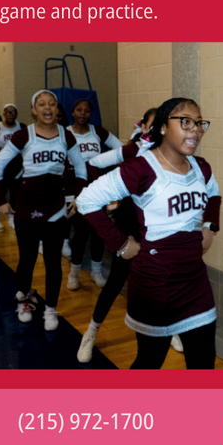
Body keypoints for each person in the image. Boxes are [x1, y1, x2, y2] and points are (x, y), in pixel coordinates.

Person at [77, 96, 220, 370]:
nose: (195, 130)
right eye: (186, 122)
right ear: (163, 126)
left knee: (204, 364)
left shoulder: (201, 167)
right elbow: (86, 200)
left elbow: (214, 194)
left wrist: (209, 226)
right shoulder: (141, 167)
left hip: (195, 282)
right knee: (149, 362)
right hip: (156, 284)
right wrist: (120, 244)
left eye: (199, 123)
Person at [0, 90, 80, 329]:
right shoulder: (23, 135)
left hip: (56, 209)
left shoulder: (66, 135)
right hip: (27, 207)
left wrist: (78, 198)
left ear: (57, 109)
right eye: (41, 104)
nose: (47, 107)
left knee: (53, 262)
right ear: (34, 110)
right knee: (27, 259)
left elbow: (81, 168)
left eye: (51, 103)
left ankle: (50, 308)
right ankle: (24, 299)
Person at [75, 107, 159, 364]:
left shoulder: (168, 153)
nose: (157, 130)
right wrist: (112, 197)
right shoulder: (132, 150)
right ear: (143, 127)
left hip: (154, 227)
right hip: (130, 224)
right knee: (115, 282)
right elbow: (93, 163)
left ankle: (170, 329)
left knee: (161, 283)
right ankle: (91, 333)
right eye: (152, 124)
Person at [63, 98, 123, 290]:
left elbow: (121, 149)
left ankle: (96, 272)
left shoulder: (98, 132)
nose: (83, 113)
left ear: (91, 114)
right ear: (73, 112)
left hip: (97, 190)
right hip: (75, 190)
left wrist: (112, 168)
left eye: (87, 111)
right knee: (81, 233)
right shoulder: (65, 133)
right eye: (79, 110)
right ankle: (74, 273)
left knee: (99, 232)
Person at [0, 105, 22, 228]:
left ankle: (12, 218)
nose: (10, 114)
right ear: (4, 114)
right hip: (2, 164)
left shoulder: (22, 127)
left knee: (15, 192)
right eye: (8, 112)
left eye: (13, 112)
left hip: (16, 164)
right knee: (0, 191)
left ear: (16, 114)